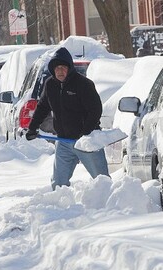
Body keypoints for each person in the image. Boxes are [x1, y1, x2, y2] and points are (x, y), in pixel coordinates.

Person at [25, 47, 109, 190]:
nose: (60, 71)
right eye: (57, 68)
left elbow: (95, 110)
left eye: (63, 68)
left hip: (86, 141)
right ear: (53, 70)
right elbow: (42, 107)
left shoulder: (83, 84)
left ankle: (114, 205)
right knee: (58, 183)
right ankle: (61, 208)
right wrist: (32, 127)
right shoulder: (50, 85)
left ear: (69, 68)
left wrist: (85, 131)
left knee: (102, 180)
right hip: (64, 142)